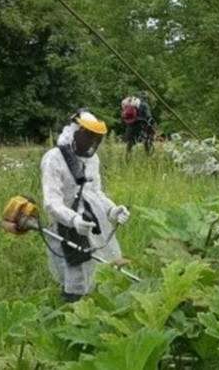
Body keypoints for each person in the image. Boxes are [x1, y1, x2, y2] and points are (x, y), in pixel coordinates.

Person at [40, 109, 131, 303]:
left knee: (101, 265)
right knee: (75, 271)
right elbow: (51, 201)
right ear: (75, 131)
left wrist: (112, 210)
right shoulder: (53, 159)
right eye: (87, 136)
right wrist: (73, 220)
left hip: (92, 221)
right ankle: (72, 312)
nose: (91, 143)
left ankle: (95, 307)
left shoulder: (92, 159)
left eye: (95, 138)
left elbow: (95, 192)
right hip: (65, 225)